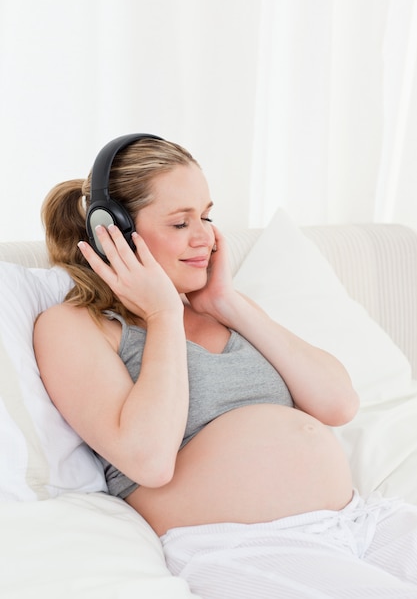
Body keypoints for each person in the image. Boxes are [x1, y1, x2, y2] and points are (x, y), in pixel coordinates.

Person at [34, 134, 417, 598]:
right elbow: (150, 461)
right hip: (243, 545)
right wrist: (162, 315)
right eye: (180, 222)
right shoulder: (76, 326)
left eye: (206, 215)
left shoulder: (222, 309)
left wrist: (228, 302)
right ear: (110, 231)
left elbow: (339, 403)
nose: (206, 237)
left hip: (359, 522)